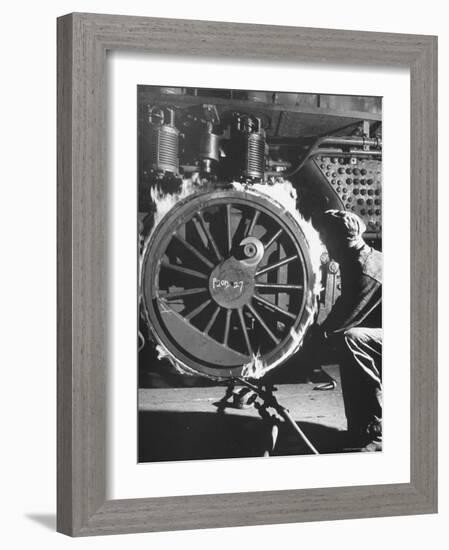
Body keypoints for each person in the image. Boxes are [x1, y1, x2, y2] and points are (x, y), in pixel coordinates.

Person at [311, 209, 382, 452]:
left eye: (326, 239)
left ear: (342, 240)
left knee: (353, 339)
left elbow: (344, 319)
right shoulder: (356, 260)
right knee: (349, 340)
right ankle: (360, 431)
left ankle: (375, 432)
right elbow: (342, 309)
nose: (324, 244)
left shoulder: (364, 270)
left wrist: (305, 344)